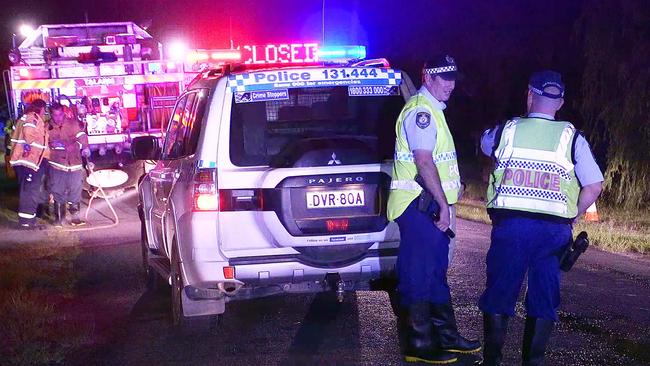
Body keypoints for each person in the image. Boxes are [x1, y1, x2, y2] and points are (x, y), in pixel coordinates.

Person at [478, 70, 603, 366]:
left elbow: (485, 144)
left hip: (512, 227)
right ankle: (533, 361)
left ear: (529, 95)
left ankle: (493, 360)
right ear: (560, 103)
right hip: (553, 233)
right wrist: (571, 213)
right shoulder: (572, 137)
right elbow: (594, 185)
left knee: (499, 293)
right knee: (544, 297)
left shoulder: (508, 130)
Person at [387, 55, 480, 364]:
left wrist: (453, 191)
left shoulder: (433, 111)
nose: (450, 84)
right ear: (427, 76)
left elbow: (439, 162)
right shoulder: (421, 113)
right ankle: (418, 344)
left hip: (430, 208)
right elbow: (423, 160)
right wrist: (442, 203)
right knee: (417, 275)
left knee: (436, 274)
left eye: (454, 78)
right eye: (444, 77)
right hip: (418, 206)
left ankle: (446, 337)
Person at [47, 103, 91, 227]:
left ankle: (75, 218)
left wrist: (81, 146)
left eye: (60, 114)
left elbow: (82, 137)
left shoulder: (73, 124)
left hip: (74, 163)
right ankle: (59, 219)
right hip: (57, 165)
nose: (58, 118)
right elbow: (45, 143)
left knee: (75, 190)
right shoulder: (47, 127)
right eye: (55, 115)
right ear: (51, 114)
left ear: (63, 113)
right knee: (57, 190)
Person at [9, 99, 50, 229]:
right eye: (45, 109)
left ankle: (30, 220)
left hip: (27, 161)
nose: (45, 112)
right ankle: (26, 222)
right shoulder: (32, 118)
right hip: (29, 161)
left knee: (29, 190)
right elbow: (29, 134)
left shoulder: (25, 117)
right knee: (29, 191)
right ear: (41, 108)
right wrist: (33, 143)